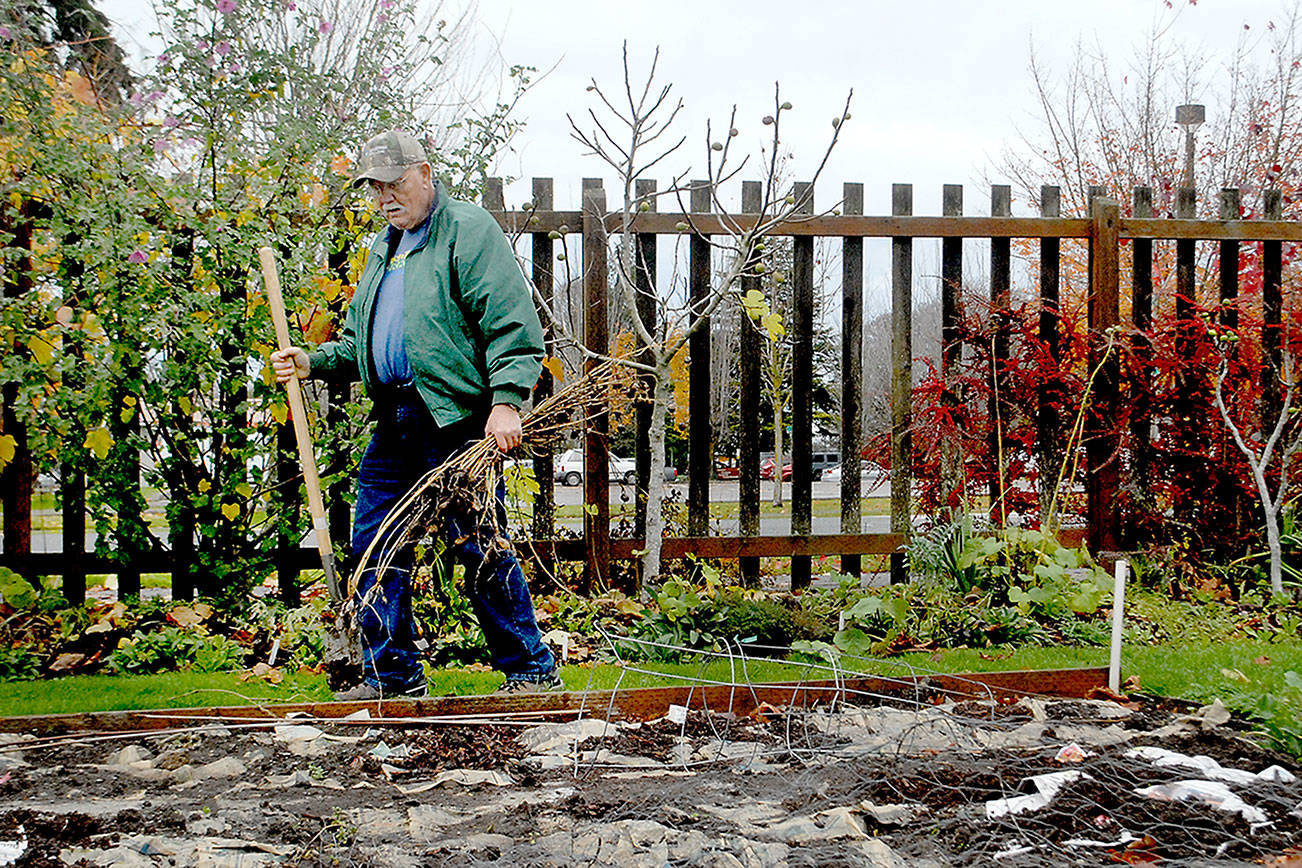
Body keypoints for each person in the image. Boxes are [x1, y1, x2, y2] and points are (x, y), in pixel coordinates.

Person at [270, 129, 560, 700]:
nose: (385, 198)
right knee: (374, 547)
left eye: (394, 184)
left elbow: (513, 328)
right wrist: (312, 361)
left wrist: (505, 402)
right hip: (396, 419)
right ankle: (393, 679)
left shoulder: (468, 232)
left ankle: (530, 670)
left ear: (425, 174)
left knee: (477, 542)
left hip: (453, 422)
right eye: (376, 188)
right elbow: (361, 342)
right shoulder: (386, 248)